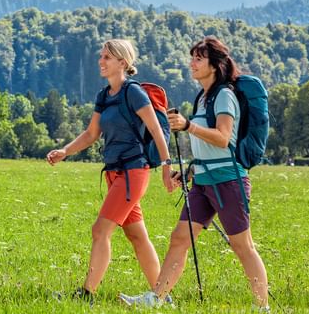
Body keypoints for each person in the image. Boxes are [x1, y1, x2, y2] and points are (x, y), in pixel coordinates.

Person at [119, 36, 270, 311]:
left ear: (214, 65)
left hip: (227, 181)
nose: (192, 63)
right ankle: (158, 298)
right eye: (193, 57)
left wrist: (188, 126)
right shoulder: (203, 98)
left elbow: (223, 138)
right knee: (180, 238)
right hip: (202, 181)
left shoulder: (224, 94)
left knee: (242, 246)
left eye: (199, 58)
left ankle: (263, 307)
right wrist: (189, 172)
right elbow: (205, 144)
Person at [47, 39, 174, 304]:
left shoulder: (134, 93)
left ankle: (87, 294)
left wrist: (166, 166)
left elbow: (155, 131)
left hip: (133, 172)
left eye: (107, 57)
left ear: (123, 63)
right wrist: (65, 151)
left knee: (100, 230)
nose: (100, 61)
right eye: (101, 56)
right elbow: (92, 133)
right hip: (115, 173)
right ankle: (163, 296)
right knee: (137, 236)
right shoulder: (104, 96)